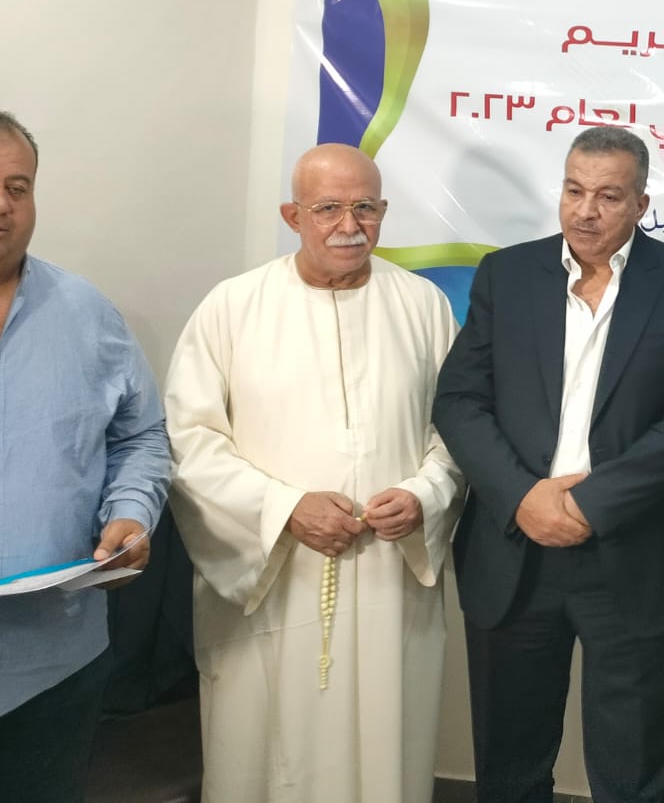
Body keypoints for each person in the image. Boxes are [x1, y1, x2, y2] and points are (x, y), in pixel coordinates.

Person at [434, 126, 664, 803]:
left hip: (631, 554)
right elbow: (459, 399)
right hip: (515, 551)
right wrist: (523, 497)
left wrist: (590, 504)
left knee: (630, 768)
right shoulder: (507, 274)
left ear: (641, 204)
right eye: (573, 191)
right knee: (510, 762)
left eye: (608, 196)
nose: (585, 211)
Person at [164, 143, 461, 803]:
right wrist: (285, 508)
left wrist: (423, 496)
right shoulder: (232, 307)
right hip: (276, 580)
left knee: (387, 744)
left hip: (389, 579)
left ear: (384, 211)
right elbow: (190, 441)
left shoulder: (425, 307)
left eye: (365, 208)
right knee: (266, 750)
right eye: (327, 208)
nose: (348, 226)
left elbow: (459, 432)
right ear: (291, 215)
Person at [0, 108, 169, 803]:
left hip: (52, 672)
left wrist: (130, 513)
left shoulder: (88, 314)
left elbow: (140, 436)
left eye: (18, 187)